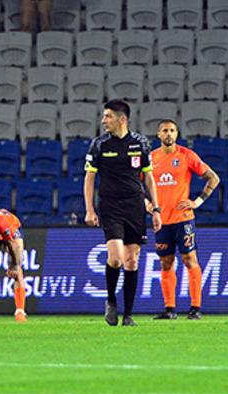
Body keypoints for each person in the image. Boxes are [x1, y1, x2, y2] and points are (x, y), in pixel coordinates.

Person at [84, 100, 162, 327]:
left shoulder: (140, 143)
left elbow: (148, 177)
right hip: (110, 206)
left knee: (132, 260)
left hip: (135, 206)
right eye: (104, 116)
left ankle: (128, 315)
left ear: (122, 119)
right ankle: (110, 300)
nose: (103, 120)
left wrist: (155, 208)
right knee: (116, 258)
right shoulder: (99, 144)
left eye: (108, 116)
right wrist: (90, 209)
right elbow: (89, 179)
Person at [149, 119, 220, 320]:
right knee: (165, 262)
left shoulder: (187, 155)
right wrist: (147, 204)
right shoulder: (151, 159)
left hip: (183, 218)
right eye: (165, 131)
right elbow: (135, 184)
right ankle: (170, 309)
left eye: (172, 130)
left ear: (177, 134)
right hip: (162, 220)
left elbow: (213, 178)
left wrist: (197, 202)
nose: (169, 134)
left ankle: (195, 308)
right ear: (158, 135)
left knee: (190, 259)